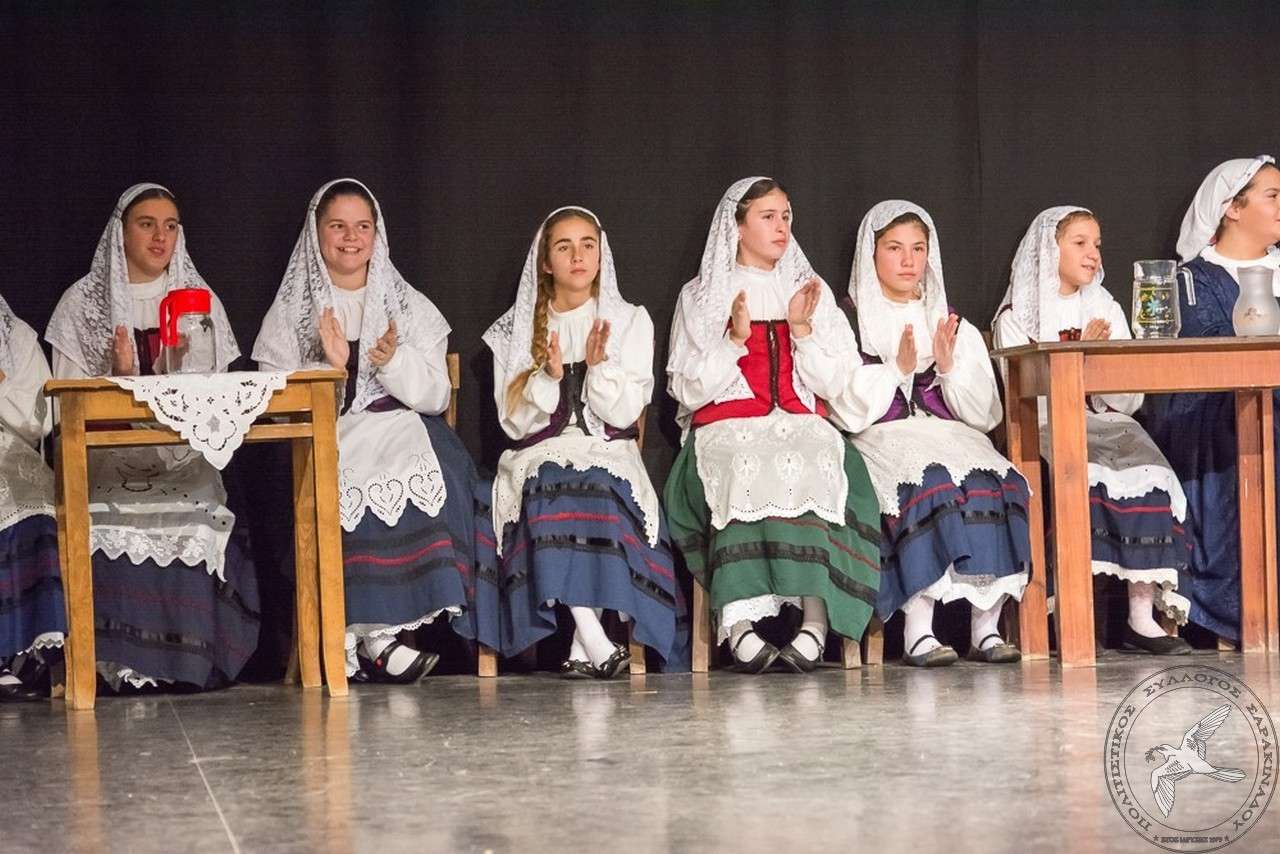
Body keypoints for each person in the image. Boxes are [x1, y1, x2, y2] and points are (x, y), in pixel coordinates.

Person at [254, 179, 499, 683]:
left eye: (362, 226)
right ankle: (379, 643)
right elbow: (274, 408)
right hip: (328, 433)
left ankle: (366, 639)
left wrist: (391, 361)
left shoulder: (408, 305)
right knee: (337, 480)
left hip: (402, 425)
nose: (351, 238)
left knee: (434, 475)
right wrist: (332, 370)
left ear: (376, 233)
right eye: (338, 226)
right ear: (316, 233)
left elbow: (436, 396)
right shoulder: (291, 312)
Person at [45, 183, 259, 690]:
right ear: (120, 233)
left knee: (198, 507)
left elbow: (220, 396)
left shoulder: (200, 302)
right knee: (112, 511)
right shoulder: (81, 305)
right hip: (106, 449)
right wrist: (116, 380)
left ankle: (187, 662)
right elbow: (63, 410)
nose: (160, 236)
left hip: (181, 449)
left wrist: (181, 368)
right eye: (147, 224)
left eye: (170, 226)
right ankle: (119, 665)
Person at [664, 178, 881, 674]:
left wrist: (801, 330)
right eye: (768, 216)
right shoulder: (703, 296)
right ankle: (739, 625)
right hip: (727, 425)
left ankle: (815, 623)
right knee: (744, 462)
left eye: (786, 216)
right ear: (738, 227)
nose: (781, 226)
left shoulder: (808, 291)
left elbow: (836, 382)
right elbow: (689, 391)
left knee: (815, 456)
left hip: (800, 422)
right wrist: (734, 340)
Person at [484, 206, 687, 678]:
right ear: (546, 262)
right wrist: (549, 377)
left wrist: (598, 368)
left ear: (601, 254)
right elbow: (513, 424)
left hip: (608, 449)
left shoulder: (629, 321)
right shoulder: (516, 330)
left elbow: (625, 413)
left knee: (599, 484)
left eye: (587, 245)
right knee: (550, 482)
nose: (578, 256)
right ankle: (592, 635)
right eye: (564, 247)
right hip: (539, 451)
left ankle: (583, 645)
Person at [828, 200, 1030, 666]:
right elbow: (842, 407)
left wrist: (948, 367)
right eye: (894, 248)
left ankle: (985, 627)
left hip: (948, 434)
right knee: (930, 483)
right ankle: (918, 629)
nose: (908, 260)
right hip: (881, 436)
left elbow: (985, 414)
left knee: (999, 481)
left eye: (918, 249)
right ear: (871, 254)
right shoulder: (849, 319)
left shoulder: (948, 320)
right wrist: (895, 370)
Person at [993, 206, 1192, 654]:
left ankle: (1140, 617)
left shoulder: (1105, 306)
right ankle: (1072, 613)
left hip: (1103, 420)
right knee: (1083, 477)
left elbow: (1130, 399)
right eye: (1080, 243)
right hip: (1044, 423)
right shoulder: (1018, 315)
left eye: (1097, 245)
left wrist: (1100, 367)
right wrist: (1077, 359)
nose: (1092, 254)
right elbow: (1020, 393)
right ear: (1050, 250)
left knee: (1151, 473)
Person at [1141, 155, 1280, 643]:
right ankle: (1243, 608)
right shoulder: (1194, 280)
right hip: (1218, 416)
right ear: (1232, 209)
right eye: (1273, 196)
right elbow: (1209, 355)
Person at [0, 294, 66, 701]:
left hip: (7, 447)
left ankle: (23, 653)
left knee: (38, 497)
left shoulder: (14, 336)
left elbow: (40, 420)